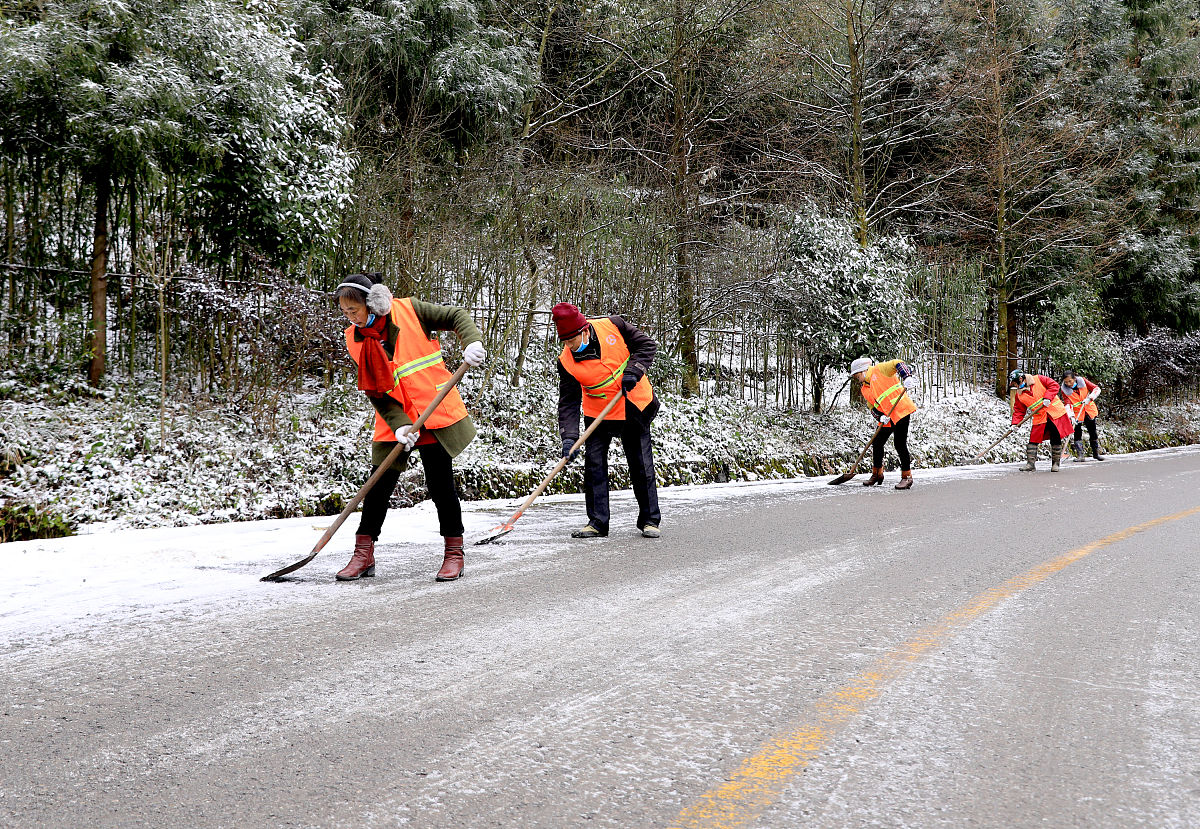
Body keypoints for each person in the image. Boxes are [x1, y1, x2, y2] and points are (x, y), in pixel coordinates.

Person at [333, 273, 486, 582]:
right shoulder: (355, 339)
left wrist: (472, 341)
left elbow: (456, 315)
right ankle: (363, 554)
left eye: (355, 310)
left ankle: (454, 553)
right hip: (394, 418)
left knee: (440, 484)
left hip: (433, 410)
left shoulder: (410, 310)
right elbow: (376, 390)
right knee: (378, 485)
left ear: (372, 302)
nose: (350, 318)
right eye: (345, 312)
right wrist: (401, 426)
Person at [553, 302, 661, 539]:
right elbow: (569, 401)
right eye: (565, 342)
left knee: (640, 464)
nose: (570, 346)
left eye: (572, 340)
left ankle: (650, 519)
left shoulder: (614, 325)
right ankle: (598, 522)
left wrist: (634, 370)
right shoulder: (566, 361)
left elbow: (647, 346)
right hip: (598, 413)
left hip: (633, 404)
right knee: (594, 467)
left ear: (585, 330)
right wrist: (569, 437)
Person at [849, 357, 919, 489]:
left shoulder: (880, 369)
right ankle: (877, 474)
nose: (856, 378)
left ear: (863, 371)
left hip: (901, 410)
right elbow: (872, 408)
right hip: (887, 416)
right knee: (877, 443)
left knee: (899, 444)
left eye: (856, 375)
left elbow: (897, 363)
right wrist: (880, 417)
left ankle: (907, 477)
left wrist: (907, 376)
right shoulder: (864, 389)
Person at [1009, 370, 1073, 472]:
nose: (1016, 386)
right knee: (1033, 439)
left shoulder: (1039, 379)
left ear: (1021, 379)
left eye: (1016, 383)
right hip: (1040, 416)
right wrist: (1015, 423)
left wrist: (1048, 397)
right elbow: (1019, 410)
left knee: (1055, 437)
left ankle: (1055, 464)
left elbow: (1054, 385)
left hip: (1054, 412)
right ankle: (1030, 464)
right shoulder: (1019, 394)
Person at [1059, 370, 1104, 462]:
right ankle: (1080, 455)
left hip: (1088, 409)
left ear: (1074, 379)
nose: (1068, 384)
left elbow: (1096, 389)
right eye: (1066, 382)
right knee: (1077, 432)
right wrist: (1071, 416)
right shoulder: (1064, 390)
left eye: (1070, 381)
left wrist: (1090, 398)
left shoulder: (1082, 381)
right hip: (1076, 413)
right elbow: (1067, 403)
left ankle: (1096, 453)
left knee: (1092, 431)